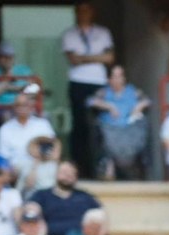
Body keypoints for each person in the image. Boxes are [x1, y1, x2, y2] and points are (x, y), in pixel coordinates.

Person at [61, 2, 113, 174]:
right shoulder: (69, 33)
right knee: (79, 125)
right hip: (78, 82)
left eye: (86, 10)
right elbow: (72, 59)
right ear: (76, 13)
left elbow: (109, 58)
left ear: (92, 12)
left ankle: (102, 165)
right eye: (80, 11)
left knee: (102, 124)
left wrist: (84, 57)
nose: (83, 14)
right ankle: (80, 166)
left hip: (98, 82)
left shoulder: (103, 32)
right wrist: (97, 57)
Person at [89, 64, 151, 179]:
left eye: (120, 76)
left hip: (130, 128)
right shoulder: (104, 92)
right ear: (109, 79)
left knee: (141, 130)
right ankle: (108, 169)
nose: (117, 80)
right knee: (102, 136)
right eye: (114, 76)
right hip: (109, 126)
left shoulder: (132, 91)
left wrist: (138, 106)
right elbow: (90, 101)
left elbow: (147, 101)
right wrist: (108, 106)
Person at [0, 90, 58, 193]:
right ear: (14, 107)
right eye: (19, 105)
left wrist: (36, 165)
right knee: (30, 173)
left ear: (31, 107)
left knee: (50, 169)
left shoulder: (42, 124)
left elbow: (53, 144)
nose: (22, 108)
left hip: (43, 160)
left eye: (25, 105)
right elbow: (4, 157)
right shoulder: (5, 129)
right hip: (18, 166)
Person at [29, 160, 101, 235]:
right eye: (64, 172)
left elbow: (101, 213)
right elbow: (30, 209)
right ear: (56, 173)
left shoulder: (84, 196)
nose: (67, 175)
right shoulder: (42, 195)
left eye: (71, 173)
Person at [0, 42, 34, 121]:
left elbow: (33, 90)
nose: (7, 60)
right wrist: (15, 85)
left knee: (42, 115)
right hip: (1, 107)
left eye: (10, 57)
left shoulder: (23, 69)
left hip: (22, 105)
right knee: (6, 116)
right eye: (4, 57)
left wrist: (5, 86)